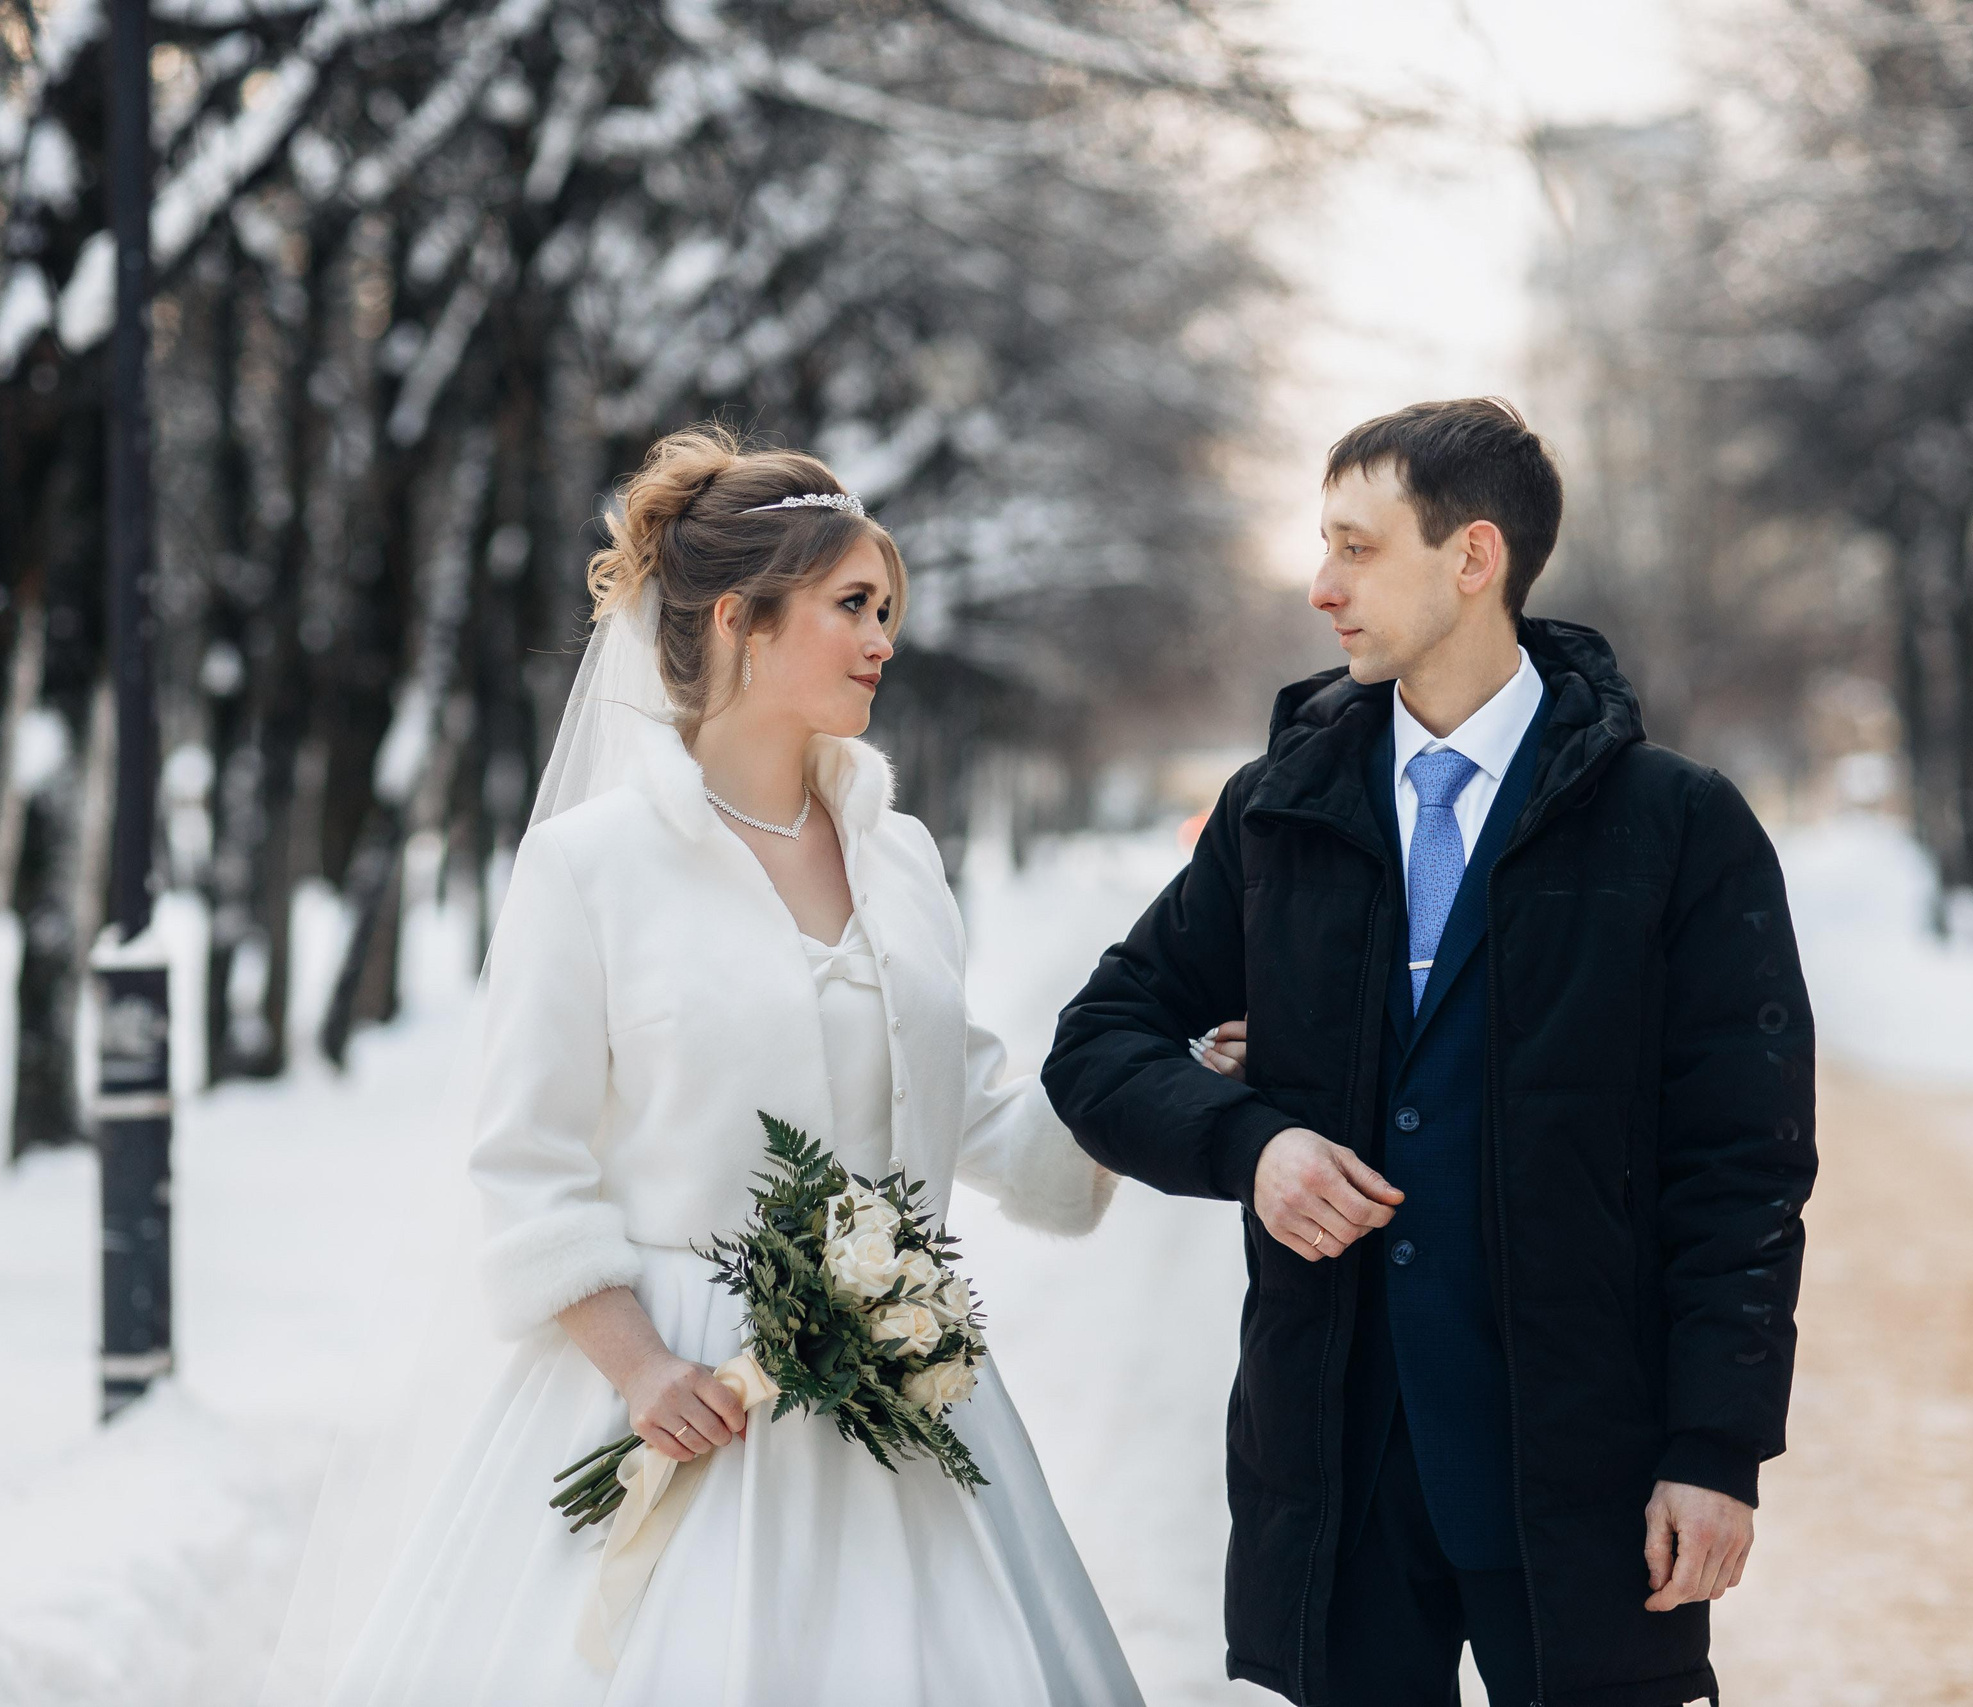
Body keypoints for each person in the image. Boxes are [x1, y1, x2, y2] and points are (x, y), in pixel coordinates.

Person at [275, 424, 1145, 1706]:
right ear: (742, 618)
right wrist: (641, 1370)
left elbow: (970, 1099)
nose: (882, 640)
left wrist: (1152, 1086)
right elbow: (527, 1163)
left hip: (900, 1394)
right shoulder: (590, 869)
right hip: (680, 1401)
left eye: (886, 610)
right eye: (853, 605)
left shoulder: (898, 853)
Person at [1043, 398, 1817, 1707]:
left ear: (1472, 557)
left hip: (1583, 1470)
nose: (1321, 585)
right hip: (1338, 1472)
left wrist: (1713, 1447)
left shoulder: (1676, 826)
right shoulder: (1278, 810)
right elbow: (1099, 1042)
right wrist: (1258, 1141)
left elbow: (1742, 1170)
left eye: (1355, 546)